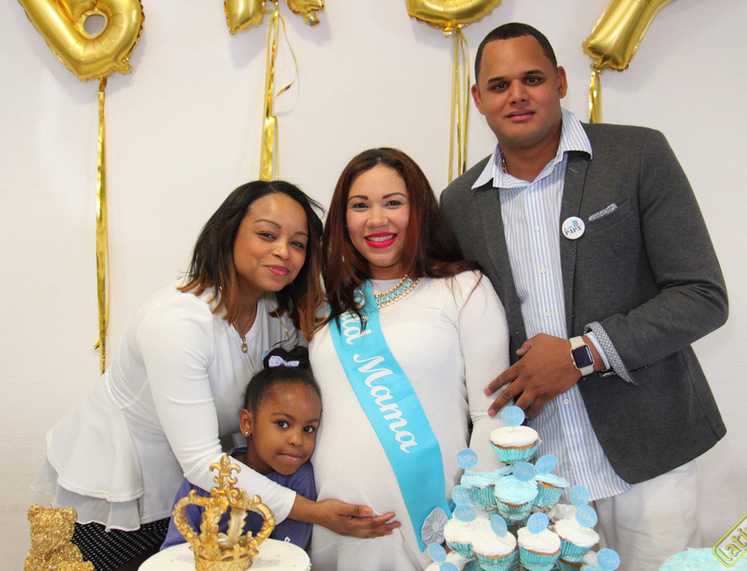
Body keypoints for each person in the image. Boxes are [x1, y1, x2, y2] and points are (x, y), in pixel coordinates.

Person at [440, 23, 728, 570]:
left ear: (561, 81)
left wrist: (581, 354)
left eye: (532, 79)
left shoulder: (637, 154)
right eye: (499, 85)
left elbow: (702, 295)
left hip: (647, 454)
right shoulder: (458, 203)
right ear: (477, 99)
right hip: (534, 474)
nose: (517, 95)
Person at [32, 180, 395, 571]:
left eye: (298, 243)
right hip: (120, 494)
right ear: (228, 234)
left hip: (201, 494)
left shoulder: (276, 316)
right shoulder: (178, 321)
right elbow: (203, 461)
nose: (283, 252)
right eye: (267, 235)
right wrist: (314, 511)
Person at [308, 148, 509, 570]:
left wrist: (470, 522)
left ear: (419, 211)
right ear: (343, 220)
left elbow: (493, 415)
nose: (376, 219)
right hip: (337, 528)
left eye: (393, 202)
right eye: (359, 205)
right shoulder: (330, 305)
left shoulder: (463, 288)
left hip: (437, 528)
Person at [162, 345, 321, 550]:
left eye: (308, 429)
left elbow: (289, 554)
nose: (297, 440)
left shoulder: (301, 478)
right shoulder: (209, 475)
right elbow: (174, 548)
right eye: (282, 424)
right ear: (247, 423)